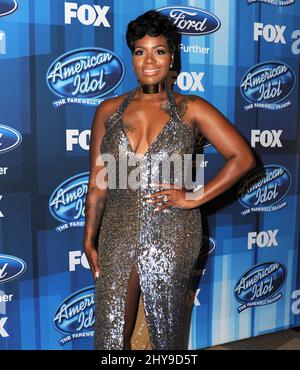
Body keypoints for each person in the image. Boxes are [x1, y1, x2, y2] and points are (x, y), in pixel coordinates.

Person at [83, 10, 256, 350]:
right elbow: (98, 182)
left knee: (166, 331)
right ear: (132, 56)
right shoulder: (108, 110)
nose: (149, 60)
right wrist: (89, 238)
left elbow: (243, 158)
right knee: (111, 332)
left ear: (172, 55)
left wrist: (194, 198)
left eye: (159, 51)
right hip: (117, 228)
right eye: (140, 51)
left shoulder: (191, 108)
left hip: (174, 230)